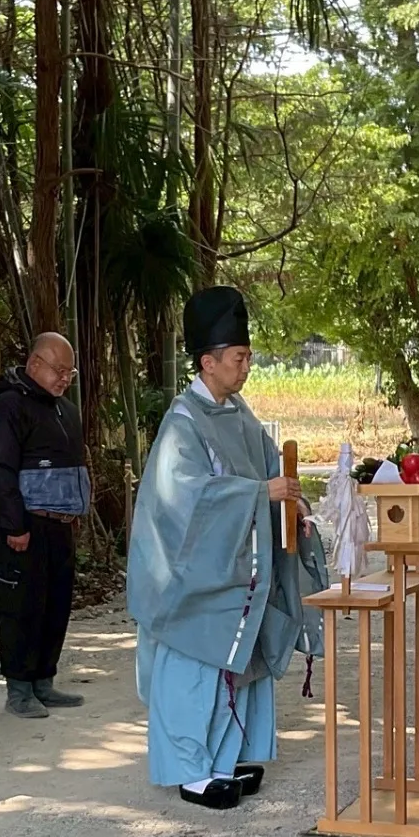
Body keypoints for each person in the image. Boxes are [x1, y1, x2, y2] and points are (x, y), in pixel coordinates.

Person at [127, 286, 327, 810]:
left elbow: (271, 469)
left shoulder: (238, 413)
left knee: (240, 663)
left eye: (248, 358)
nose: (246, 368)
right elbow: (185, 498)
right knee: (194, 669)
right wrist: (260, 495)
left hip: (235, 567)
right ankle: (191, 770)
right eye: (239, 358)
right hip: (192, 578)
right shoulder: (182, 422)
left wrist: (293, 506)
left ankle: (225, 759)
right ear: (207, 362)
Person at [0, 332, 90, 719]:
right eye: (58, 370)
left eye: (69, 373)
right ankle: (19, 690)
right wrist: (15, 525)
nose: (64, 379)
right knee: (22, 607)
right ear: (34, 364)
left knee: (55, 605)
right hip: (25, 527)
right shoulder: (7, 407)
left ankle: (44, 680)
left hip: (60, 526)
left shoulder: (66, 410)